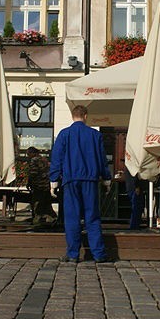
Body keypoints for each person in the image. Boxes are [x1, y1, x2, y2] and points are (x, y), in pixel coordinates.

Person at [49, 105, 112, 263]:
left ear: (72, 116)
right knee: (92, 217)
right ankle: (98, 254)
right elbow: (102, 159)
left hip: (70, 180)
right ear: (85, 116)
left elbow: (56, 158)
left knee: (72, 218)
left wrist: (54, 181)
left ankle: (72, 254)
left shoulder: (64, 135)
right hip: (90, 180)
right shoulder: (95, 135)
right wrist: (106, 178)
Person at [26, 147, 57, 225]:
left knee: (36, 202)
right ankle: (52, 217)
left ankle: (38, 218)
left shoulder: (34, 160)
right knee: (46, 203)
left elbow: (33, 173)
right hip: (46, 185)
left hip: (38, 185)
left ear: (32, 153)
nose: (28, 156)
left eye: (28, 154)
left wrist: (29, 182)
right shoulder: (44, 160)